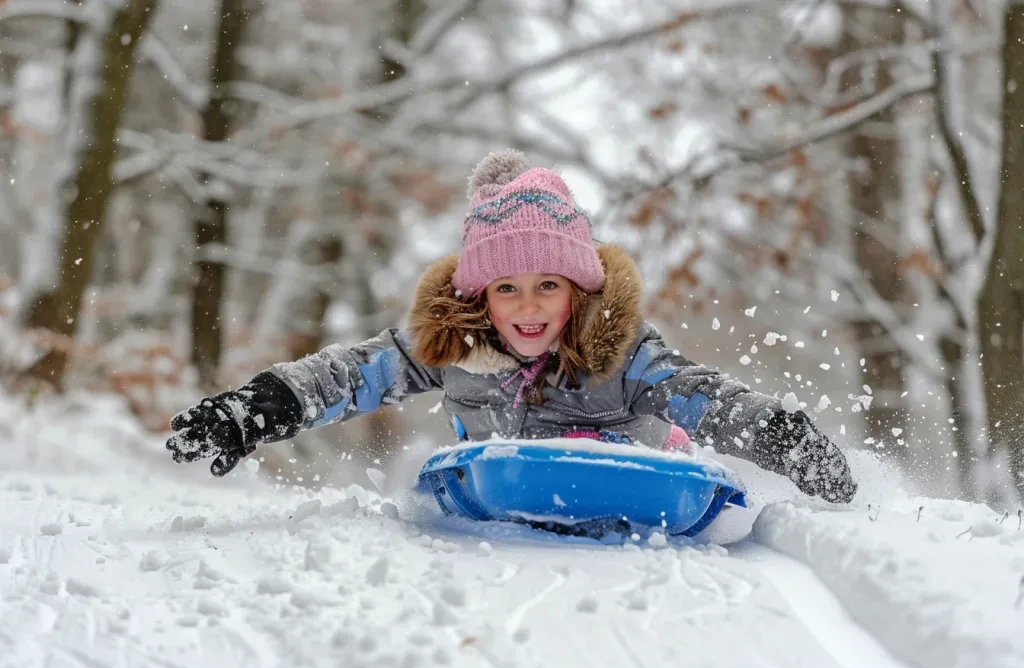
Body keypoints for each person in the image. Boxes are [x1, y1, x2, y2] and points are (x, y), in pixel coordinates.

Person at [165, 150, 857, 504]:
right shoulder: (452, 348)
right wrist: (260, 408)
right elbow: (354, 374)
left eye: (548, 286)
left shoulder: (622, 352)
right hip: (508, 478)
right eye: (507, 289)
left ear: (578, 288)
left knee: (673, 418)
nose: (528, 308)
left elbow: (704, 395)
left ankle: (636, 446)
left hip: (629, 471)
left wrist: (780, 437)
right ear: (479, 296)